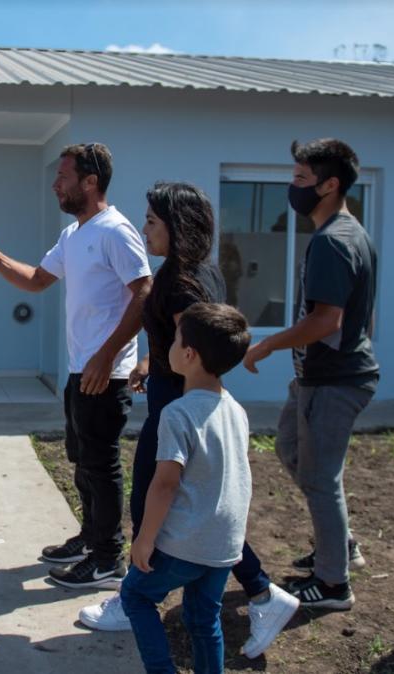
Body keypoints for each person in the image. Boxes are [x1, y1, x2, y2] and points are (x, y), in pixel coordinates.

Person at [78, 183, 298, 660]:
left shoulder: (178, 283)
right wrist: (147, 363)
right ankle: (261, 591)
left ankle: (134, 594)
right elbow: (185, 344)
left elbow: (188, 343)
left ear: (176, 229)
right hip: (184, 393)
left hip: (179, 404)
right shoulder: (203, 271)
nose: (144, 229)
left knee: (153, 495)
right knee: (205, 509)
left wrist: (172, 392)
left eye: (153, 222)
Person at [0, 143, 151, 588]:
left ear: (90, 182)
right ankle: (92, 537)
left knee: (101, 462)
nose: (56, 184)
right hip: (80, 369)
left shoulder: (115, 230)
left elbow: (145, 294)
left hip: (104, 373)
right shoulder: (75, 234)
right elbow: (37, 280)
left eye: (64, 176)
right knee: (81, 458)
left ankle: (109, 558)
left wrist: (108, 354)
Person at [244, 138, 377, 610]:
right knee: (290, 448)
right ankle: (339, 543)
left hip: (333, 382)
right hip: (318, 378)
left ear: (330, 184)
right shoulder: (348, 233)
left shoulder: (333, 242)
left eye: (301, 179)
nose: (292, 187)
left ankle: (334, 583)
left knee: (320, 478)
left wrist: (265, 344)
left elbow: (326, 321)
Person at [120, 303, 252, 674]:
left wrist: (145, 539)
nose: (170, 345)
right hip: (224, 544)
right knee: (203, 618)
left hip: (183, 544)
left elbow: (164, 484)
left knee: (136, 596)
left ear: (189, 354)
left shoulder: (177, 413)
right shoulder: (236, 410)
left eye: (175, 339)